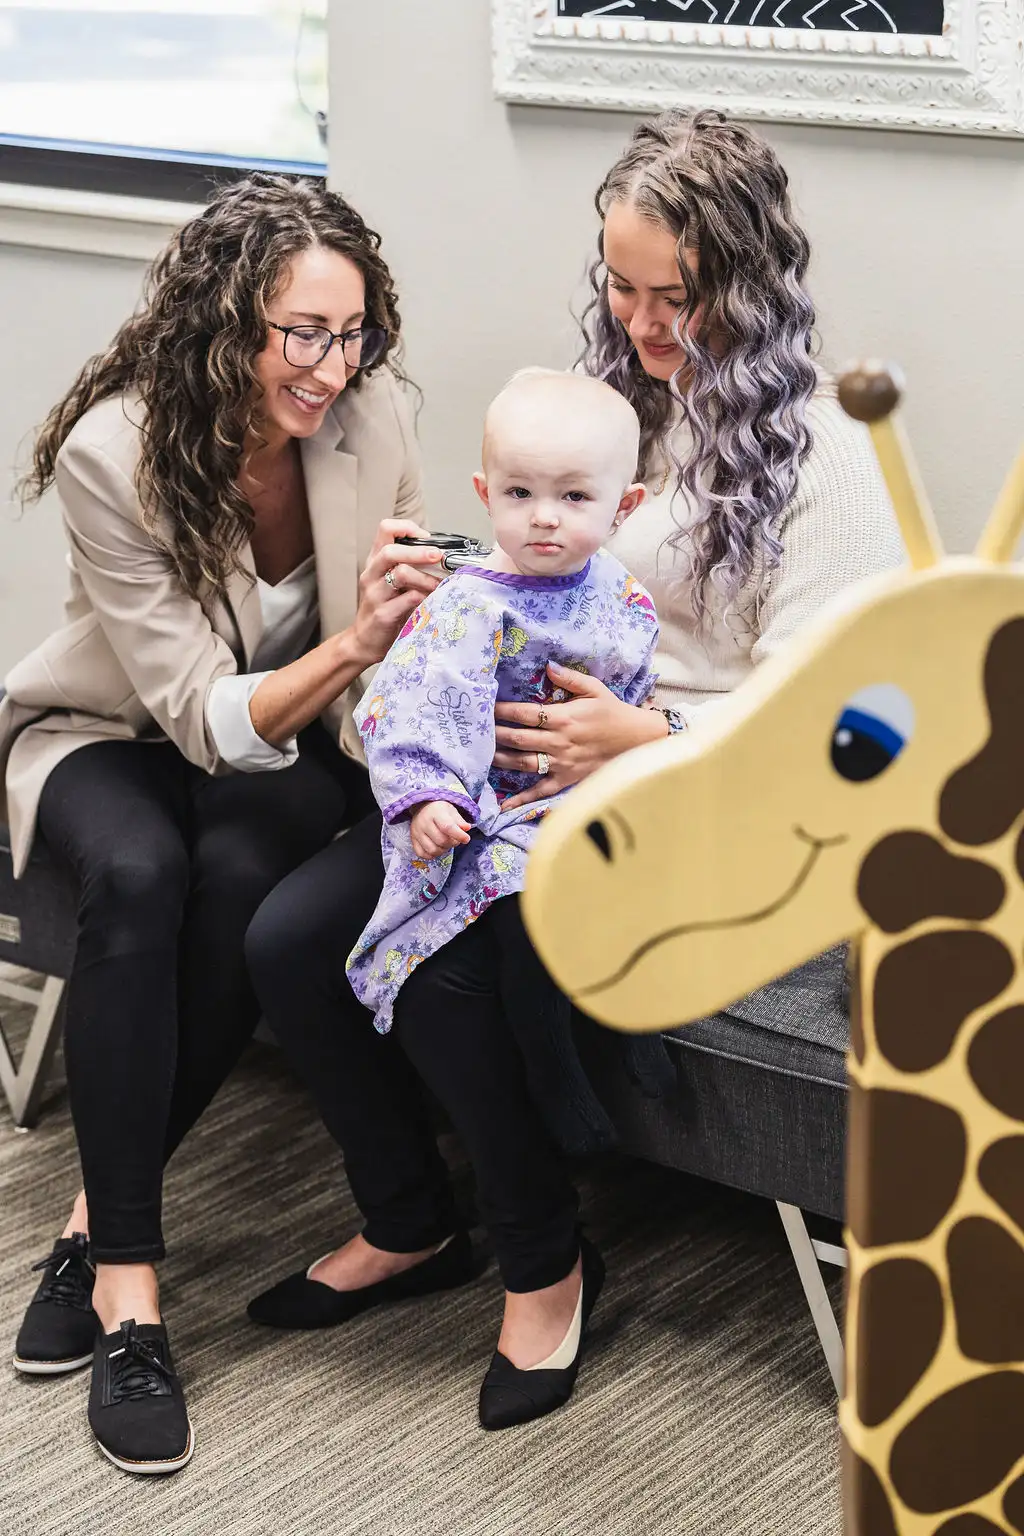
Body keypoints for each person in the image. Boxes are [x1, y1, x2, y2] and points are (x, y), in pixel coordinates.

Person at [244, 107, 903, 1432]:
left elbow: (854, 728)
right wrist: (428, 609)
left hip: (708, 810)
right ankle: (410, 1218)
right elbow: (528, 572)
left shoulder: (826, 454)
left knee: (447, 965)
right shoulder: (614, 415)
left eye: (681, 294)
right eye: (622, 285)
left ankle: (545, 1265)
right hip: (515, 794)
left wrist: (649, 738)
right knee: (284, 940)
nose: (648, 322)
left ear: (755, 280)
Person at [1, 174, 461, 1475]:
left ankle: (94, 1228)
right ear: (226, 327)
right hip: (118, 732)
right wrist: (358, 637)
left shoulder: (368, 422)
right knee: (144, 875)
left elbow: (367, 681)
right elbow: (198, 718)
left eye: (354, 329)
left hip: (293, 745)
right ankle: (136, 1295)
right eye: (301, 333)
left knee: (244, 873)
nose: (332, 364)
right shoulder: (115, 451)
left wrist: (401, 677)